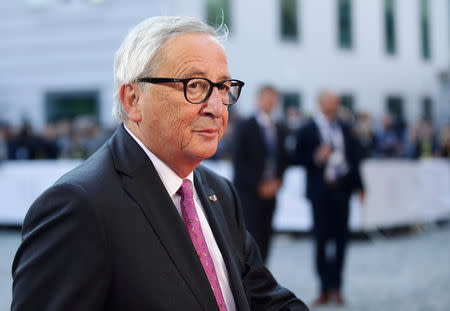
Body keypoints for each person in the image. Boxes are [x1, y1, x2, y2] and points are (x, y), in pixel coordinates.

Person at [11, 16, 309, 311]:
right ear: (133, 100)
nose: (217, 108)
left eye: (222, 87)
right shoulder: (78, 206)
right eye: (195, 85)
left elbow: (262, 297)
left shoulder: (219, 192)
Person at [293, 91, 364, 306]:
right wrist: (316, 156)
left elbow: (354, 159)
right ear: (322, 103)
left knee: (342, 240)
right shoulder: (307, 130)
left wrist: (360, 186)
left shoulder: (345, 127)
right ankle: (323, 288)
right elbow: (297, 157)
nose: (336, 104)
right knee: (321, 240)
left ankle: (337, 287)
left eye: (337, 101)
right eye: (332, 101)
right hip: (320, 192)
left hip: (341, 190)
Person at [232, 86, 289, 262]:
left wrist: (277, 181)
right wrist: (258, 185)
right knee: (250, 237)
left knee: (266, 237)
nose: (271, 103)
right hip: (249, 193)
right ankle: (249, 281)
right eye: (267, 98)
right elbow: (239, 160)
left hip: (271, 193)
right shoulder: (245, 126)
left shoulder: (279, 127)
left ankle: (262, 277)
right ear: (258, 99)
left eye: (274, 99)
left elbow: (283, 159)